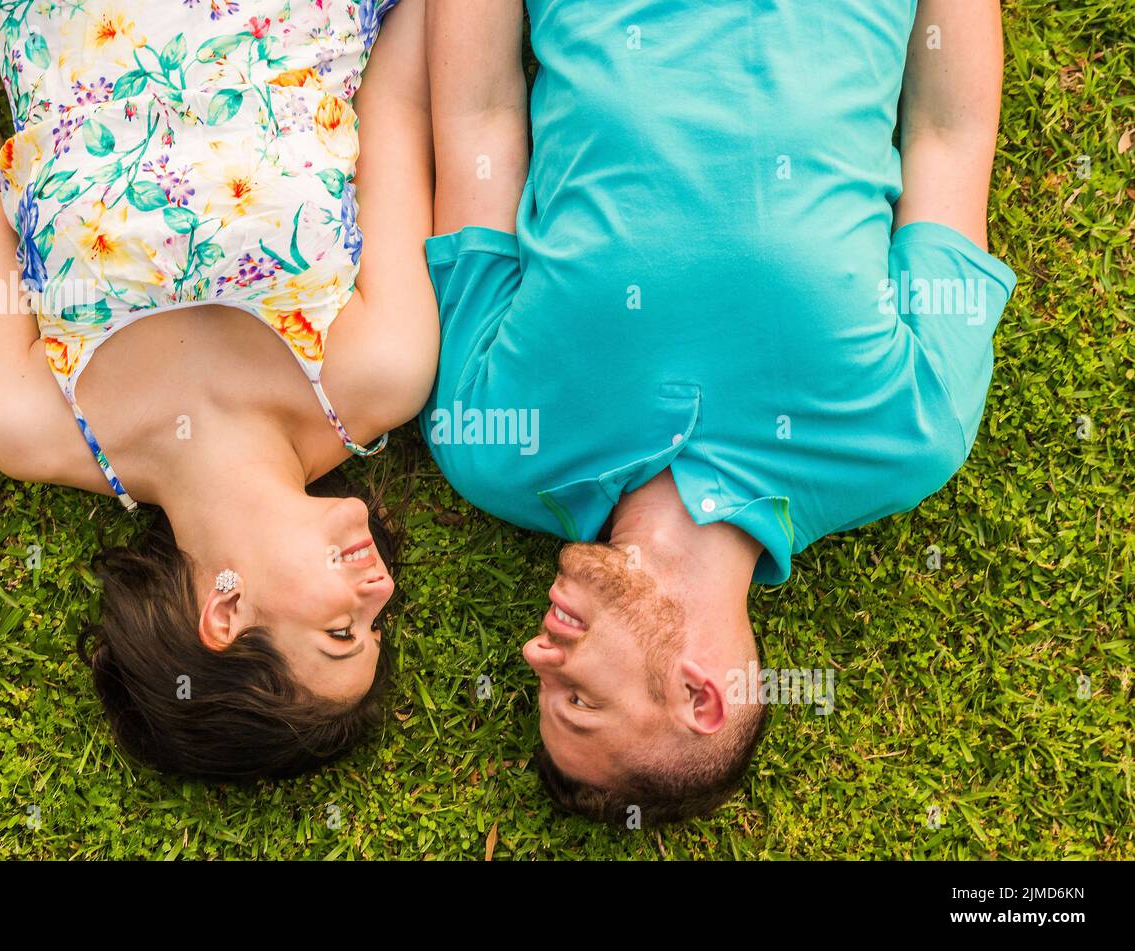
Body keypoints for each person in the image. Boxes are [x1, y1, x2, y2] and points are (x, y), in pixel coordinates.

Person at [421, 0, 1017, 822]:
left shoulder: (490, 445)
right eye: (577, 696)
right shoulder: (908, 435)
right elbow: (950, 136)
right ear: (701, 696)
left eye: (541, 685)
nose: (535, 652)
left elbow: (479, 119)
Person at [0, 0, 437, 779]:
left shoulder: (30, 418)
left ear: (225, 610)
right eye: (379, 625)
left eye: (342, 629)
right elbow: (397, 106)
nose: (380, 589)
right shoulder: (383, 368)